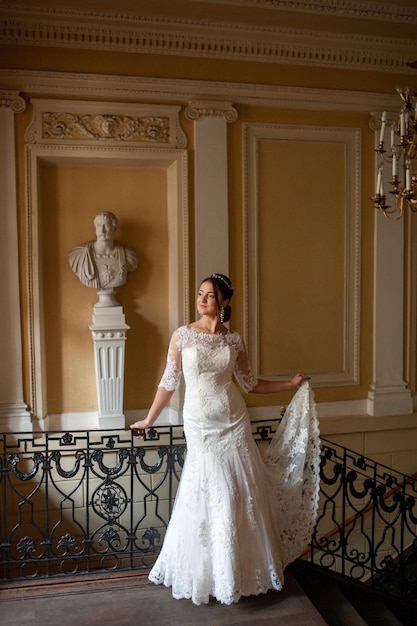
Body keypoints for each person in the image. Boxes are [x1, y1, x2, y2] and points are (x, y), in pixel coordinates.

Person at [130, 273, 320, 606]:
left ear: (224, 302)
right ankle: (206, 573)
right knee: (210, 489)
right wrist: (149, 419)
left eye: (210, 295)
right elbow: (169, 382)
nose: (202, 300)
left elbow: (249, 383)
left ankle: (237, 572)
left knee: (237, 492)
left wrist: (289, 384)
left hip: (234, 421)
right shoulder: (183, 336)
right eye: (200, 294)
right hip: (200, 424)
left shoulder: (233, 340)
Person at [68, 211, 138, 289]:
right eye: (99, 225)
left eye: (107, 226)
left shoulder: (128, 256)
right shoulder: (79, 254)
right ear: (95, 227)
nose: (102, 231)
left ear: (114, 228)